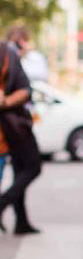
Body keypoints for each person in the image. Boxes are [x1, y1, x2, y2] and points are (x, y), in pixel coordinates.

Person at [0, 40, 42, 234]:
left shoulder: (9, 55)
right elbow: (25, 90)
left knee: (20, 169)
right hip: (14, 125)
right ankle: (3, 203)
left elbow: (25, 89)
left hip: (11, 126)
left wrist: (5, 100)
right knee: (33, 166)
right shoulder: (9, 54)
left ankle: (21, 222)